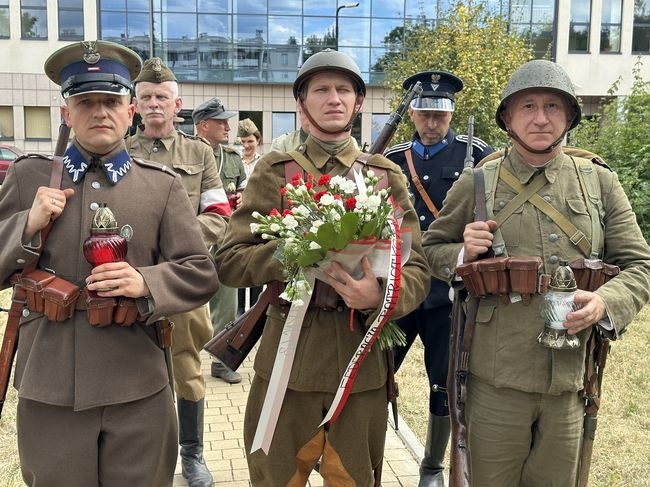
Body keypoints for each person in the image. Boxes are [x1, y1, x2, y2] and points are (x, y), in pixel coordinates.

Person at [0, 40, 219, 486]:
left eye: (111, 101)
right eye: (85, 102)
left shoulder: (161, 186)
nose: (99, 112)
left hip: (138, 384)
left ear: (129, 111)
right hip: (51, 385)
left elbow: (200, 272)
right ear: (67, 114)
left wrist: (146, 281)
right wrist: (26, 224)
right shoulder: (29, 178)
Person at [421, 59, 650, 486]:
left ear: (569, 117)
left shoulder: (600, 182)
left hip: (569, 380)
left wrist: (606, 301)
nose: (540, 118)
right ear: (507, 117)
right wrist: (463, 253)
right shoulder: (479, 182)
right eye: (527, 106)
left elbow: (641, 265)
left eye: (552, 106)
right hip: (495, 380)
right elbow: (431, 248)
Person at [215, 49, 431, 486]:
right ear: (302, 102)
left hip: (361, 368)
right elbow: (229, 260)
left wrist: (380, 297)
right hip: (287, 369)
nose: (333, 98)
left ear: (357, 103)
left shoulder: (384, 176)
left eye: (344, 90)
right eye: (321, 89)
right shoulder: (274, 173)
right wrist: (292, 254)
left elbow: (419, 269)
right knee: (274, 478)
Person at [383, 70, 493, 487]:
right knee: (376, 373)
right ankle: (368, 447)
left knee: (444, 382)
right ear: (412, 113)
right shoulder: (392, 158)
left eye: (440, 115)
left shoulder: (477, 154)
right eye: (425, 114)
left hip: (448, 293)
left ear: (451, 114)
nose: (432, 123)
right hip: (399, 287)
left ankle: (431, 467)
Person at [126, 57, 231, 487]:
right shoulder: (118, 150)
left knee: (186, 366)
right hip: (130, 284)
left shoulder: (199, 152)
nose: (154, 105)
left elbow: (219, 214)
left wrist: (175, 246)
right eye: (146, 98)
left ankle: (192, 454)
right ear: (134, 106)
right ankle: (141, 453)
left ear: (177, 104)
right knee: (131, 368)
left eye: (161, 98)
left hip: (183, 282)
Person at [193, 96, 247, 384]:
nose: (227, 126)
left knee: (226, 301)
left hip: (224, 238)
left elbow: (242, 193)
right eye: (220, 122)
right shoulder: (186, 153)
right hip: (190, 240)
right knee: (185, 304)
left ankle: (220, 360)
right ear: (203, 125)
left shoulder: (233, 158)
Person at [236, 118, 264, 316]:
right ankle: (238, 308)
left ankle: (253, 307)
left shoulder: (264, 163)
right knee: (238, 259)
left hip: (257, 217)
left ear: (258, 141)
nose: (246, 146)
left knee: (255, 259)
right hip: (236, 218)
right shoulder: (235, 160)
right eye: (243, 141)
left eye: (250, 141)